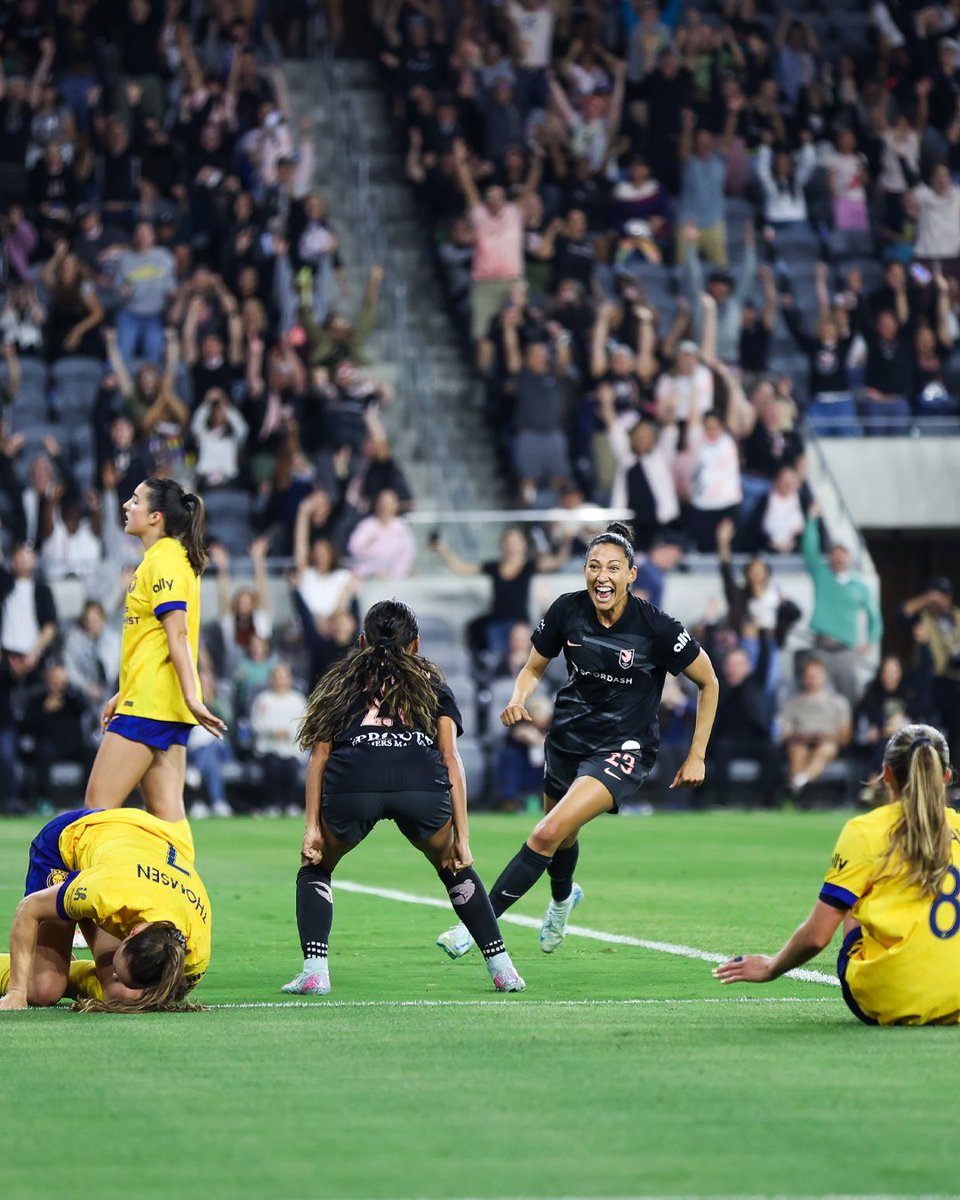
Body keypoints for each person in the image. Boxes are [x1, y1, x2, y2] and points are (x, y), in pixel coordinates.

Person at [437, 522, 719, 958]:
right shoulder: (567, 611)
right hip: (567, 738)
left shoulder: (657, 627)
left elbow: (710, 682)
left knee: (548, 831)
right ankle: (563, 900)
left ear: (631, 575)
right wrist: (518, 697)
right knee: (562, 837)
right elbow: (533, 668)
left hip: (624, 748)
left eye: (612, 568)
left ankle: (478, 927)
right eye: (593, 566)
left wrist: (697, 755)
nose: (601, 576)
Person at [282, 599, 525, 996]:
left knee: (316, 867)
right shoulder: (432, 683)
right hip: (421, 785)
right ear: (415, 644)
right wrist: (462, 838)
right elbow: (450, 759)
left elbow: (320, 757)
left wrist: (311, 829)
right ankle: (503, 969)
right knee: (454, 868)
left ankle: (315, 972)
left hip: (353, 783)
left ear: (361, 640)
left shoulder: (339, 681)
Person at [715, 724, 960, 1025]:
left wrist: (770, 967)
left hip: (896, 999)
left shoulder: (866, 831)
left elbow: (818, 937)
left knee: (851, 902)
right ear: (946, 776)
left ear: (886, 774)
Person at [84, 479, 227, 823]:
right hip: (158, 702)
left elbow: (177, 635)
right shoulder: (167, 559)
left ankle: (85, 879)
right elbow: (154, 643)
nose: (126, 506)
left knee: (94, 813)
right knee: (166, 819)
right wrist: (123, 693)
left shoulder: (163, 563)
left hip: (149, 706)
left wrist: (194, 698)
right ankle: (183, 878)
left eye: (135, 501)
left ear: (155, 517)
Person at [0, 806, 211, 1013]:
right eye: (118, 973)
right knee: (42, 990)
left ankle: (57, 965)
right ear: (133, 932)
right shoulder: (107, 892)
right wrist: (16, 992)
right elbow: (29, 909)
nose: (114, 975)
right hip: (76, 837)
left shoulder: (194, 956)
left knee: (124, 995)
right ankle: (48, 969)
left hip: (143, 842)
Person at [802, 503, 882, 707]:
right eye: (834, 553)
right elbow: (809, 550)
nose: (838, 557)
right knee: (814, 697)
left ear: (849, 557)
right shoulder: (822, 574)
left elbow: (875, 617)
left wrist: (870, 641)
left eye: (842, 553)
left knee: (850, 697)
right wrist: (812, 521)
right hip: (821, 646)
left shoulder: (859, 585)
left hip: (846, 650)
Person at [779, 657, 852, 796]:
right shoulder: (792, 703)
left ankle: (798, 782)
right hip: (800, 742)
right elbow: (784, 733)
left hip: (828, 744)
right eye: (809, 676)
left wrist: (827, 736)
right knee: (797, 751)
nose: (812, 679)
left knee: (825, 750)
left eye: (815, 676)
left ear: (824, 677)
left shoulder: (838, 703)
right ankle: (797, 793)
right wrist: (804, 737)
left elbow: (845, 736)